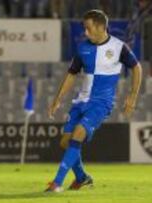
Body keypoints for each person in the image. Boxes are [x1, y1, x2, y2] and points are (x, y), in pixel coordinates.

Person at [46, 9, 142, 192]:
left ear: (100, 27)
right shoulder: (83, 48)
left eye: (88, 28)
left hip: (101, 103)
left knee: (79, 133)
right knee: (65, 142)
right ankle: (82, 178)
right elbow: (71, 74)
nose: (85, 32)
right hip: (80, 101)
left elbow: (136, 68)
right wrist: (58, 99)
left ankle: (57, 183)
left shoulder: (118, 46)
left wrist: (132, 95)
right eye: (84, 28)